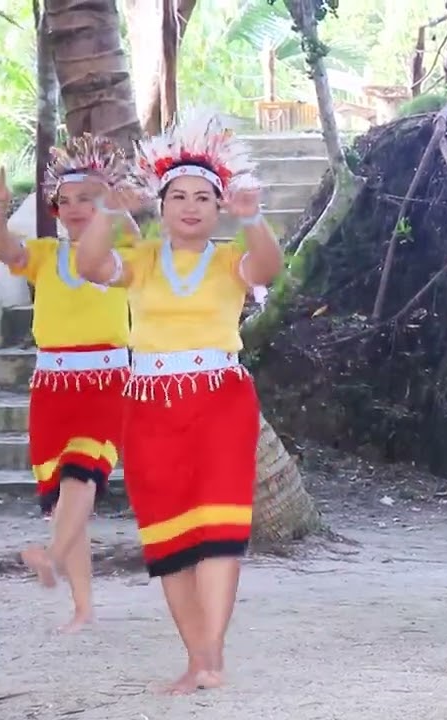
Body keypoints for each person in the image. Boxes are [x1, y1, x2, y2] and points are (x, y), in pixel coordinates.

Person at [76, 109, 281, 694]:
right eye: (178, 196)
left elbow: (268, 266)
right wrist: (111, 209)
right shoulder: (140, 262)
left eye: (203, 197)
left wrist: (254, 219)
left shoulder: (228, 260)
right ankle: (196, 659)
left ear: (218, 208)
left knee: (219, 532)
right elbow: (90, 263)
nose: (190, 206)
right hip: (148, 408)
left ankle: (211, 656)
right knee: (169, 539)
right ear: (161, 206)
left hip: (219, 402)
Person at [0, 136, 136, 632]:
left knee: (82, 473)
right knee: (62, 496)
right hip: (52, 386)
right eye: (68, 199)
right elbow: (5, 249)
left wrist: (119, 210)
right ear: (54, 210)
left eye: (89, 198)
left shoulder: (121, 251)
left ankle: (52, 555)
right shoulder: (44, 254)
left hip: (106, 381)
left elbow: (136, 237)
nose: (76, 208)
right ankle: (83, 606)